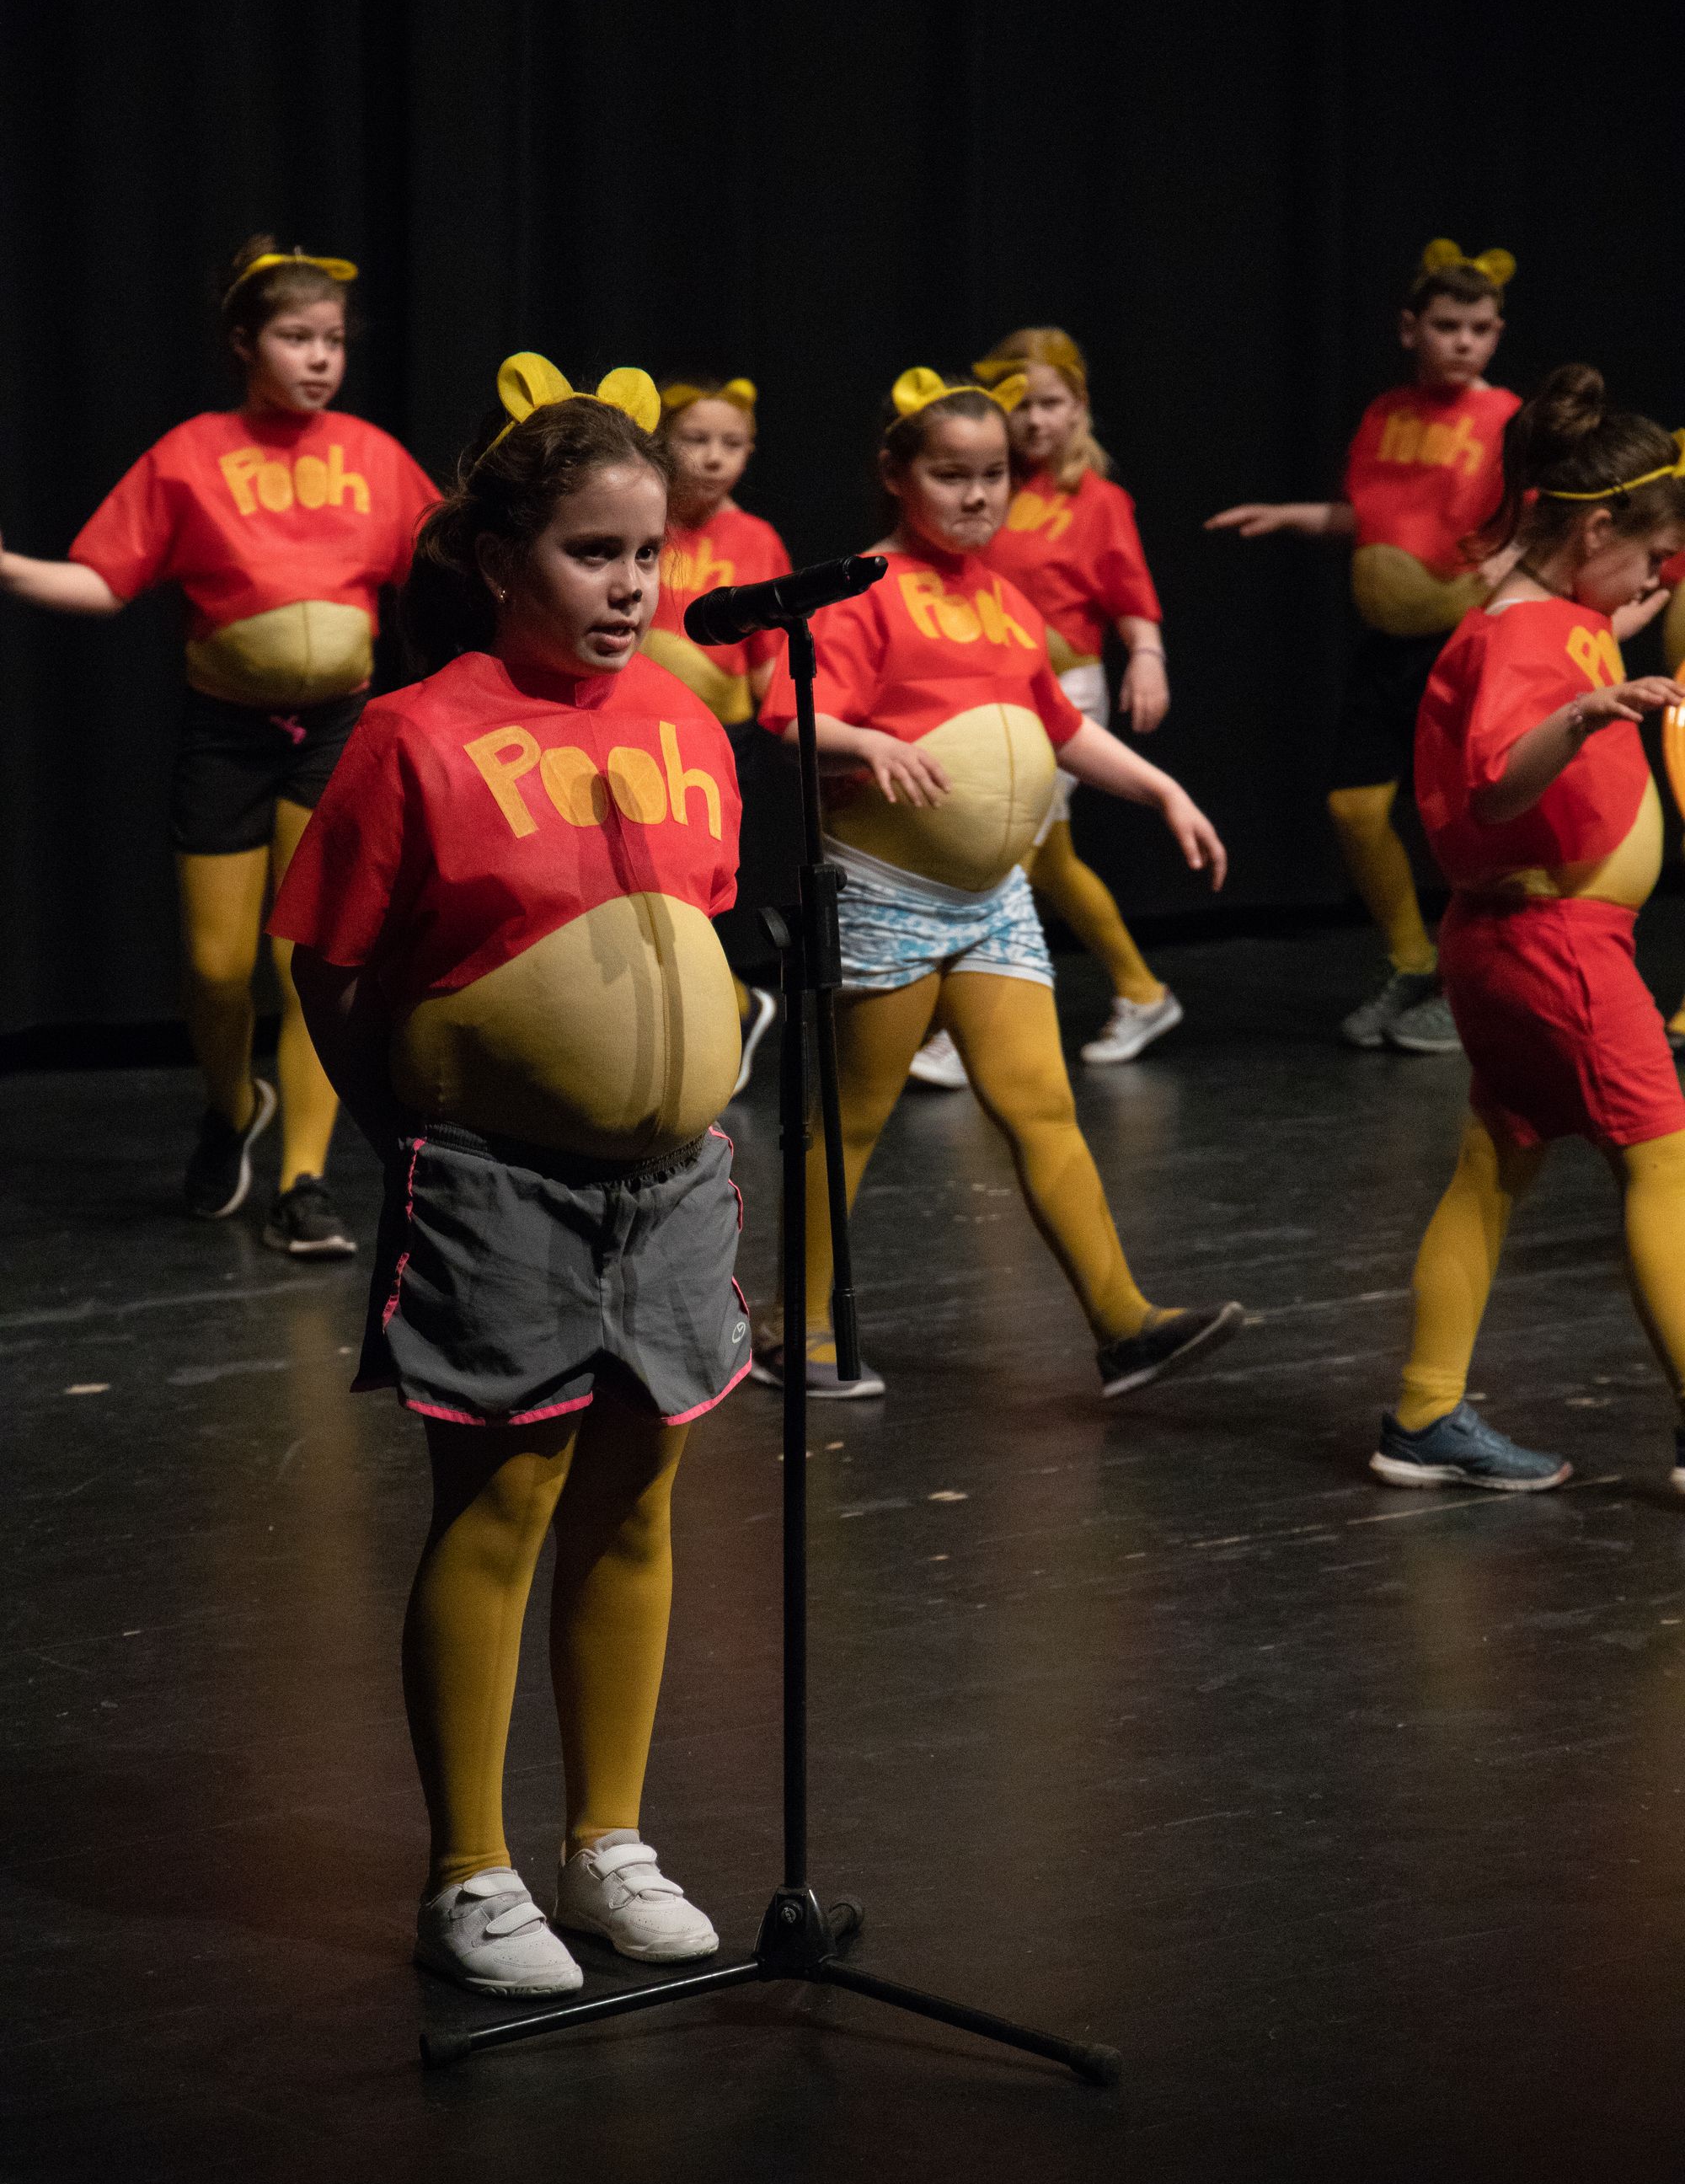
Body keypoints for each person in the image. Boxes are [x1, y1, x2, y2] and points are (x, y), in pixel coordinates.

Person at [270, 354, 748, 1995]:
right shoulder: (414, 734)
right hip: (495, 1182)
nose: (628, 586)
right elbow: (331, 968)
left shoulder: (686, 721)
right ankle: (468, 1873)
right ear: (496, 559)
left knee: (637, 1497)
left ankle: (606, 1841)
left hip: (671, 1181)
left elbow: (697, 923)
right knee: (503, 1503)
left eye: (646, 555)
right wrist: (407, 1135)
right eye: (590, 553)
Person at [752, 366, 1244, 1402]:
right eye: (950, 475)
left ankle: (1123, 1324)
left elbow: (1059, 730)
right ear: (895, 475)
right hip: (889, 889)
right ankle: (797, 1329)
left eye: (994, 475)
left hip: (990, 901)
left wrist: (1161, 790)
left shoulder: (1005, 599)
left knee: (1042, 1108)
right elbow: (788, 719)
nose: (976, 496)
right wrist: (868, 744)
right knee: (852, 1119)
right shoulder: (860, 590)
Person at [0, 236, 436, 1253]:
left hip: (335, 733)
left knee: (309, 961)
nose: (320, 358)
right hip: (228, 737)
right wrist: (8, 568)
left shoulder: (373, 455)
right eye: (297, 337)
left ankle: (303, 1182)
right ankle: (233, 1108)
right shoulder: (191, 454)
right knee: (214, 968)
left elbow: (445, 559)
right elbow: (104, 579)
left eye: (333, 340)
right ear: (244, 343)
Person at [1370, 367, 1685, 1496]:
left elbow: (1584, 631)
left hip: (1515, 945)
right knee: (1665, 1162)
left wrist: (1611, 640)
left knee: (1491, 1169)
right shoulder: (1519, 641)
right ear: (1595, 529)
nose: (1660, 580)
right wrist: (1587, 712)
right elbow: (1499, 785)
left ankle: (1423, 1414)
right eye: (1654, 557)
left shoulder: (1563, 616)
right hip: (1555, 949)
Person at [1207, 240, 1520, 1053]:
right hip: (1388, 647)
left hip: (1460, 645)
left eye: (1480, 329)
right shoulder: (1388, 413)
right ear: (1410, 327)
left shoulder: (1507, 418)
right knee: (1353, 808)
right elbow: (1378, 518)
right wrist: (1293, 516)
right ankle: (1412, 962)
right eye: (1447, 326)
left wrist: (1510, 577)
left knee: (1458, 821)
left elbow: (1535, 519)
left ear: (1496, 334)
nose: (1463, 342)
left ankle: (1469, 983)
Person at [910, 325, 1179, 1089]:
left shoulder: (1098, 501)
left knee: (1004, 858)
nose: (1035, 420)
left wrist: (1149, 657)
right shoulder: (989, 487)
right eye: (1020, 404)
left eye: (1052, 403)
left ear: (1079, 406)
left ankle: (963, 1032)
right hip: (991, 694)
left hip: (1067, 696)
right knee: (1052, 862)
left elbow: (1133, 598)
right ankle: (1144, 992)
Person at [645, 377, 794, 1097]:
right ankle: (729, 1007)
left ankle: (727, 1011)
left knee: (692, 891)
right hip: (636, 735)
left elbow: (772, 652)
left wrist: (788, 726)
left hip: (719, 741)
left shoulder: (754, 538)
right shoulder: (645, 520)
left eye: (731, 444)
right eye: (695, 440)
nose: (713, 457)